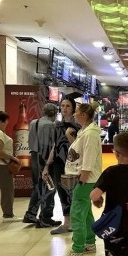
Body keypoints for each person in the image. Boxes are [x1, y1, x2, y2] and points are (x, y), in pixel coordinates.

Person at [63, 102, 103, 256]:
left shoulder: (91, 134)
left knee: (77, 213)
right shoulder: (84, 132)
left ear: (84, 115)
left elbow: (89, 158)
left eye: (76, 112)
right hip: (84, 177)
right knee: (85, 213)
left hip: (86, 179)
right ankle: (89, 242)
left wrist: (82, 179)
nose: (74, 114)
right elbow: (80, 152)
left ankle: (77, 251)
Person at [45, 97, 81, 235]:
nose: (64, 108)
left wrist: (69, 136)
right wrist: (47, 166)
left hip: (72, 164)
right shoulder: (57, 126)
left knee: (73, 193)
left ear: (73, 109)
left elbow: (78, 148)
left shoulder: (77, 127)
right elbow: (55, 147)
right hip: (58, 164)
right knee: (61, 193)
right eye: (63, 105)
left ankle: (75, 221)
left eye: (68, 106)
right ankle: (67, 223)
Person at [23, 103, 61, 227]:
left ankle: (30, 214)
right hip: (45, 159)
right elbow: (52, 145)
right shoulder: (52, 125)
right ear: (54, 113)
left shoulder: (34, 122)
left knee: (37, 187)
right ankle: (46, 217)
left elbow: (30, 141)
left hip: (34, 156)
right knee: (50, 187)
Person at [0, 111, 22, 222]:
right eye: (6, 122)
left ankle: (8, 214)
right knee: (7, 190)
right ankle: (8, 215)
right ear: (1, 121)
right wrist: (12, 158)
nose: (6, 124)